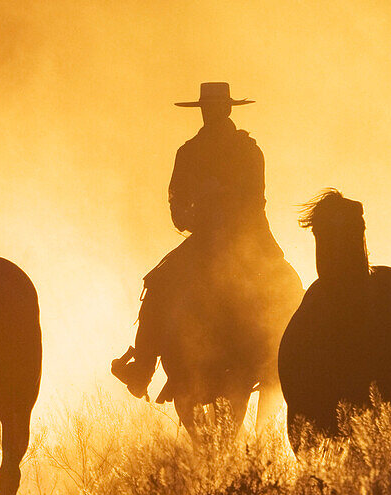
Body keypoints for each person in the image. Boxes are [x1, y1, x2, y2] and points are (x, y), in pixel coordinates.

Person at [111, 82, 285, 398]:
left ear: (228, 109)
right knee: (158, 283)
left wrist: (221, 198)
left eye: (217, 108)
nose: (212, 114)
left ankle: (286, 359)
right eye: (208, 108)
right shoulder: (188, 152)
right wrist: (190, 214)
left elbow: (256, 199)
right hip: (206, 240)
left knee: (287, 286)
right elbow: (176, 203)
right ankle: (143, 369)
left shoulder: (248, 152)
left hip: (249, 239)